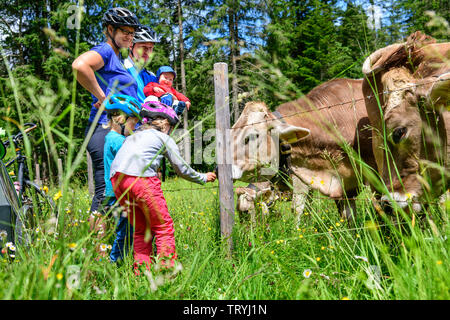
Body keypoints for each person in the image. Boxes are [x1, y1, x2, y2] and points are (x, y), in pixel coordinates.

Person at [110, 103, 216, 273]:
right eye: (172, 127)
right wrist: (203, 177)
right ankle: (167, 271)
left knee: (141, 230)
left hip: (118, 180)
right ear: (165, 123)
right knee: (163, 226)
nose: (172, 131)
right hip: (141, 179)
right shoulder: (163, 138)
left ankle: (141, 271)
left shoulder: (133, 136)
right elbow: (181, 169)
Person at [72, 7, 140, 217]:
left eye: (132, 33)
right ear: (110, 29)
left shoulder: (119, 58)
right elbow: (79, 65)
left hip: (120, 132)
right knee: (105, 192)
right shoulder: (107, 51)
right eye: (125, 32)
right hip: (103, 129)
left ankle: (114, 245)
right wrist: (104, 99)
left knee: (122, 192)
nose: (130, 36)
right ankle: (96, 248)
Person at [103, 94, 141, 262]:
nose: (134, 127)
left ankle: (121, 260)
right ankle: (115, 262)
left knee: (127, 228)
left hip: (116, 192)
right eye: (133, 123)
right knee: (125, 231)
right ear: (120, 119)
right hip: (119, 194)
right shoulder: (118, 141)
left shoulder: (112, 138)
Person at [124, 25, 160, 103]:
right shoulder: (120, 67)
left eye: (150, 48)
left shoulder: (152, 76)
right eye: (143, 47)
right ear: (131, 45)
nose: (147, 52)